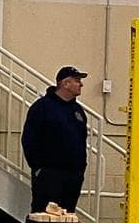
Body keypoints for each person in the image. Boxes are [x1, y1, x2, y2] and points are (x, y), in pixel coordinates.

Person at [21, 66, 89, 213]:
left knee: (67, 217)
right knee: (44, 216)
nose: (81, 84)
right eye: (77, 81)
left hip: (73, 176)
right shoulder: (42, 107)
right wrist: (39, 168)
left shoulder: (78, 111)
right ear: (66, 83)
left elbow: (82, 140)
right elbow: (29, 139)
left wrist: (80, 169)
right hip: (49, 175)